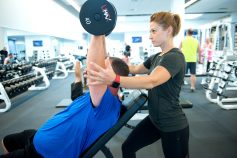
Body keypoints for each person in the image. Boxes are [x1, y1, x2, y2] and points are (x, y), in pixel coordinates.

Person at [0, 36, 129, 158]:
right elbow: (77, 96)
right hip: (40, 138)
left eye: (103, 68)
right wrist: (78, 77)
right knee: (7, 141)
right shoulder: (99, 100)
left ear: (113, 79)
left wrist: (97, 30)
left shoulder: (107, 104)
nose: (94, 70)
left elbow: (94, 68)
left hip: (46, 153)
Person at [87, 12, 189, 158]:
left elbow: (151, 81)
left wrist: (114, 79)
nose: (150, 35)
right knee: (128, 147)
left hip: (173, 124)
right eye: (150, 31)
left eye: (154, 31)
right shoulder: (157, 57)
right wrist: (110, 65)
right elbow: (134, 69)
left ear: (169, 30)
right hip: (154, 120)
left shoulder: (175, 57)